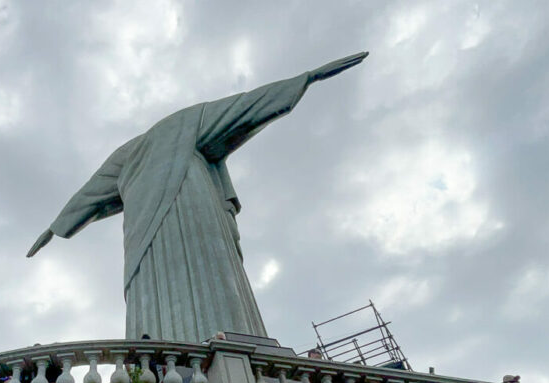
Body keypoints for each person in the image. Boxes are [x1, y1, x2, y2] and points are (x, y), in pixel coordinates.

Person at [27, 53, 368, 342]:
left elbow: (92, 191)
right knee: (186, 282)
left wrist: (56, 227)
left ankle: (176, 357)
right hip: (170, 215)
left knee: (192, 280)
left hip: (172, 213)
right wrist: (306, 78)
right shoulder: (182, 127)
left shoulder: (143, 145)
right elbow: (245, 107)